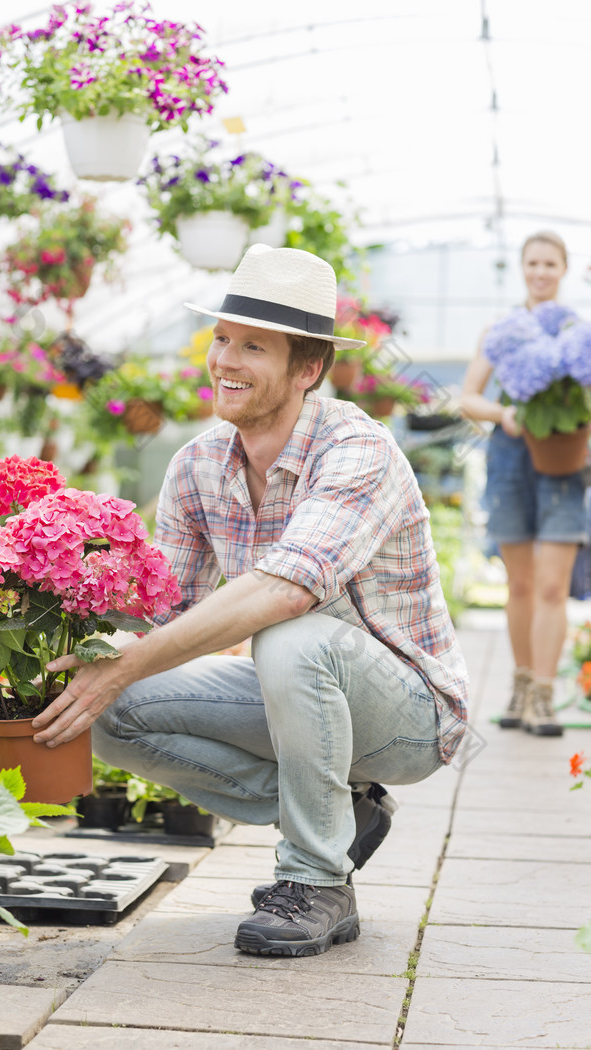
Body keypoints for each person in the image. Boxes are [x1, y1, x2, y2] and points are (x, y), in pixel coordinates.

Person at [33, 244, 469, 958]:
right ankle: (339, 818)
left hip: (409, 714)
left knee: (290, 632)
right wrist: (57, 637)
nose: (225, 360)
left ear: (308, 369)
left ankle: (317, 880)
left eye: (254, 347)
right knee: (101, 706)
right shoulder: (198, 464)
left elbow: (284, 590)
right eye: (223, 338)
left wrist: (130, 659)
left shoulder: (357, 448)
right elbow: (161, 612)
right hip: (294, 695)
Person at [460, 230, 584, 737]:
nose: (540, 271)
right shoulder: (502, 328)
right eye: (532, 262)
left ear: (563, 269)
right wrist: (504, 412)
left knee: (554, 586)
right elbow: (469, 397)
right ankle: (520, 683)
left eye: (549, 264)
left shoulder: (580, 333)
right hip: (510, 457)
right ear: (522, 268)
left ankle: (544, 697)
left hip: (566, 465)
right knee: (523, 585)